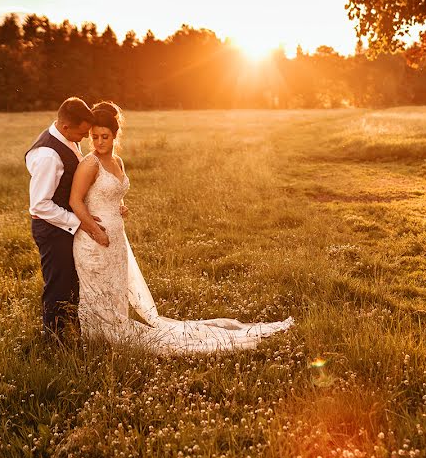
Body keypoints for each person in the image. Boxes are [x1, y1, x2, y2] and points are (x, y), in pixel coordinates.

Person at [70, 101, 293, 352]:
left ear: (115, 135)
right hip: (93, 241)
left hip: (117, 239)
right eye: (94, 137)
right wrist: (96, 231)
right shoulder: (89, 163)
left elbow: (110, 192)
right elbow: (75, 201)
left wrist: (119, 205)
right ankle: (98, 339)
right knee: (98, 293)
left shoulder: (117, 162)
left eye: (105, 137)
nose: (99, 142)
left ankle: (112, 331)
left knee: (116, 291)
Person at [25, 97, 108, 340]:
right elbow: (39, 205)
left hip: (66, 226)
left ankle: (72, 330)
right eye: (82, 134)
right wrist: (78, 220)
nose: (84, 138)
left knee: (72, 282)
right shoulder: (48, 156)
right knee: (58, 285)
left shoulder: (66, 137)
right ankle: (53, 339)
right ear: (65, 127)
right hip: (52, 230)